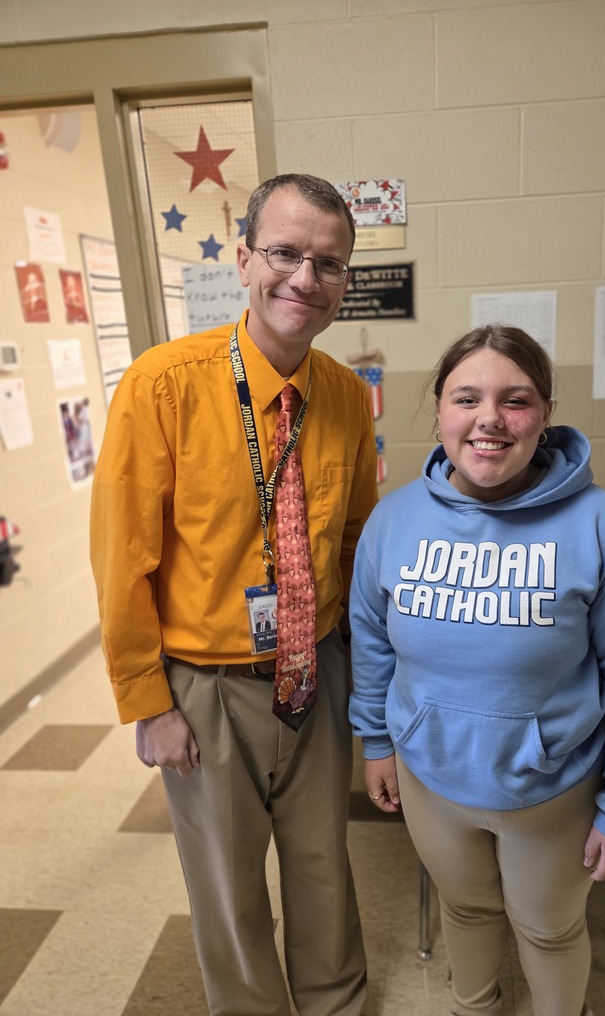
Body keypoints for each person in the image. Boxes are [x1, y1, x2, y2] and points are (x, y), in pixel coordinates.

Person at [91, 173, 378, 1016]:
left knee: (325, 866)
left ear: (343, 285)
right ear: (245, 257)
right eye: (286, 253)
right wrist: (149, 702)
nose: (304, 278)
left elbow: (356, 541)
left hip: (316, 674)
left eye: (328, 264)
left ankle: (338, 1005)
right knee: (229, 884)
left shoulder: (347, 398)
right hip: (206, 689)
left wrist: (367, 680)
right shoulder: (163, 385)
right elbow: (122, 560)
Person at [348, 325, 605, 1016]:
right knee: (465, 911)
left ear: (546, 414)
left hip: (552, 790)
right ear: (440, 409)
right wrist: (376, 741)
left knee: (549, 928)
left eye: (516, 400)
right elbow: (373, 644)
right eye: (467, 397)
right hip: (431, 776)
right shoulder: (393, 522)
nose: (489, 419)